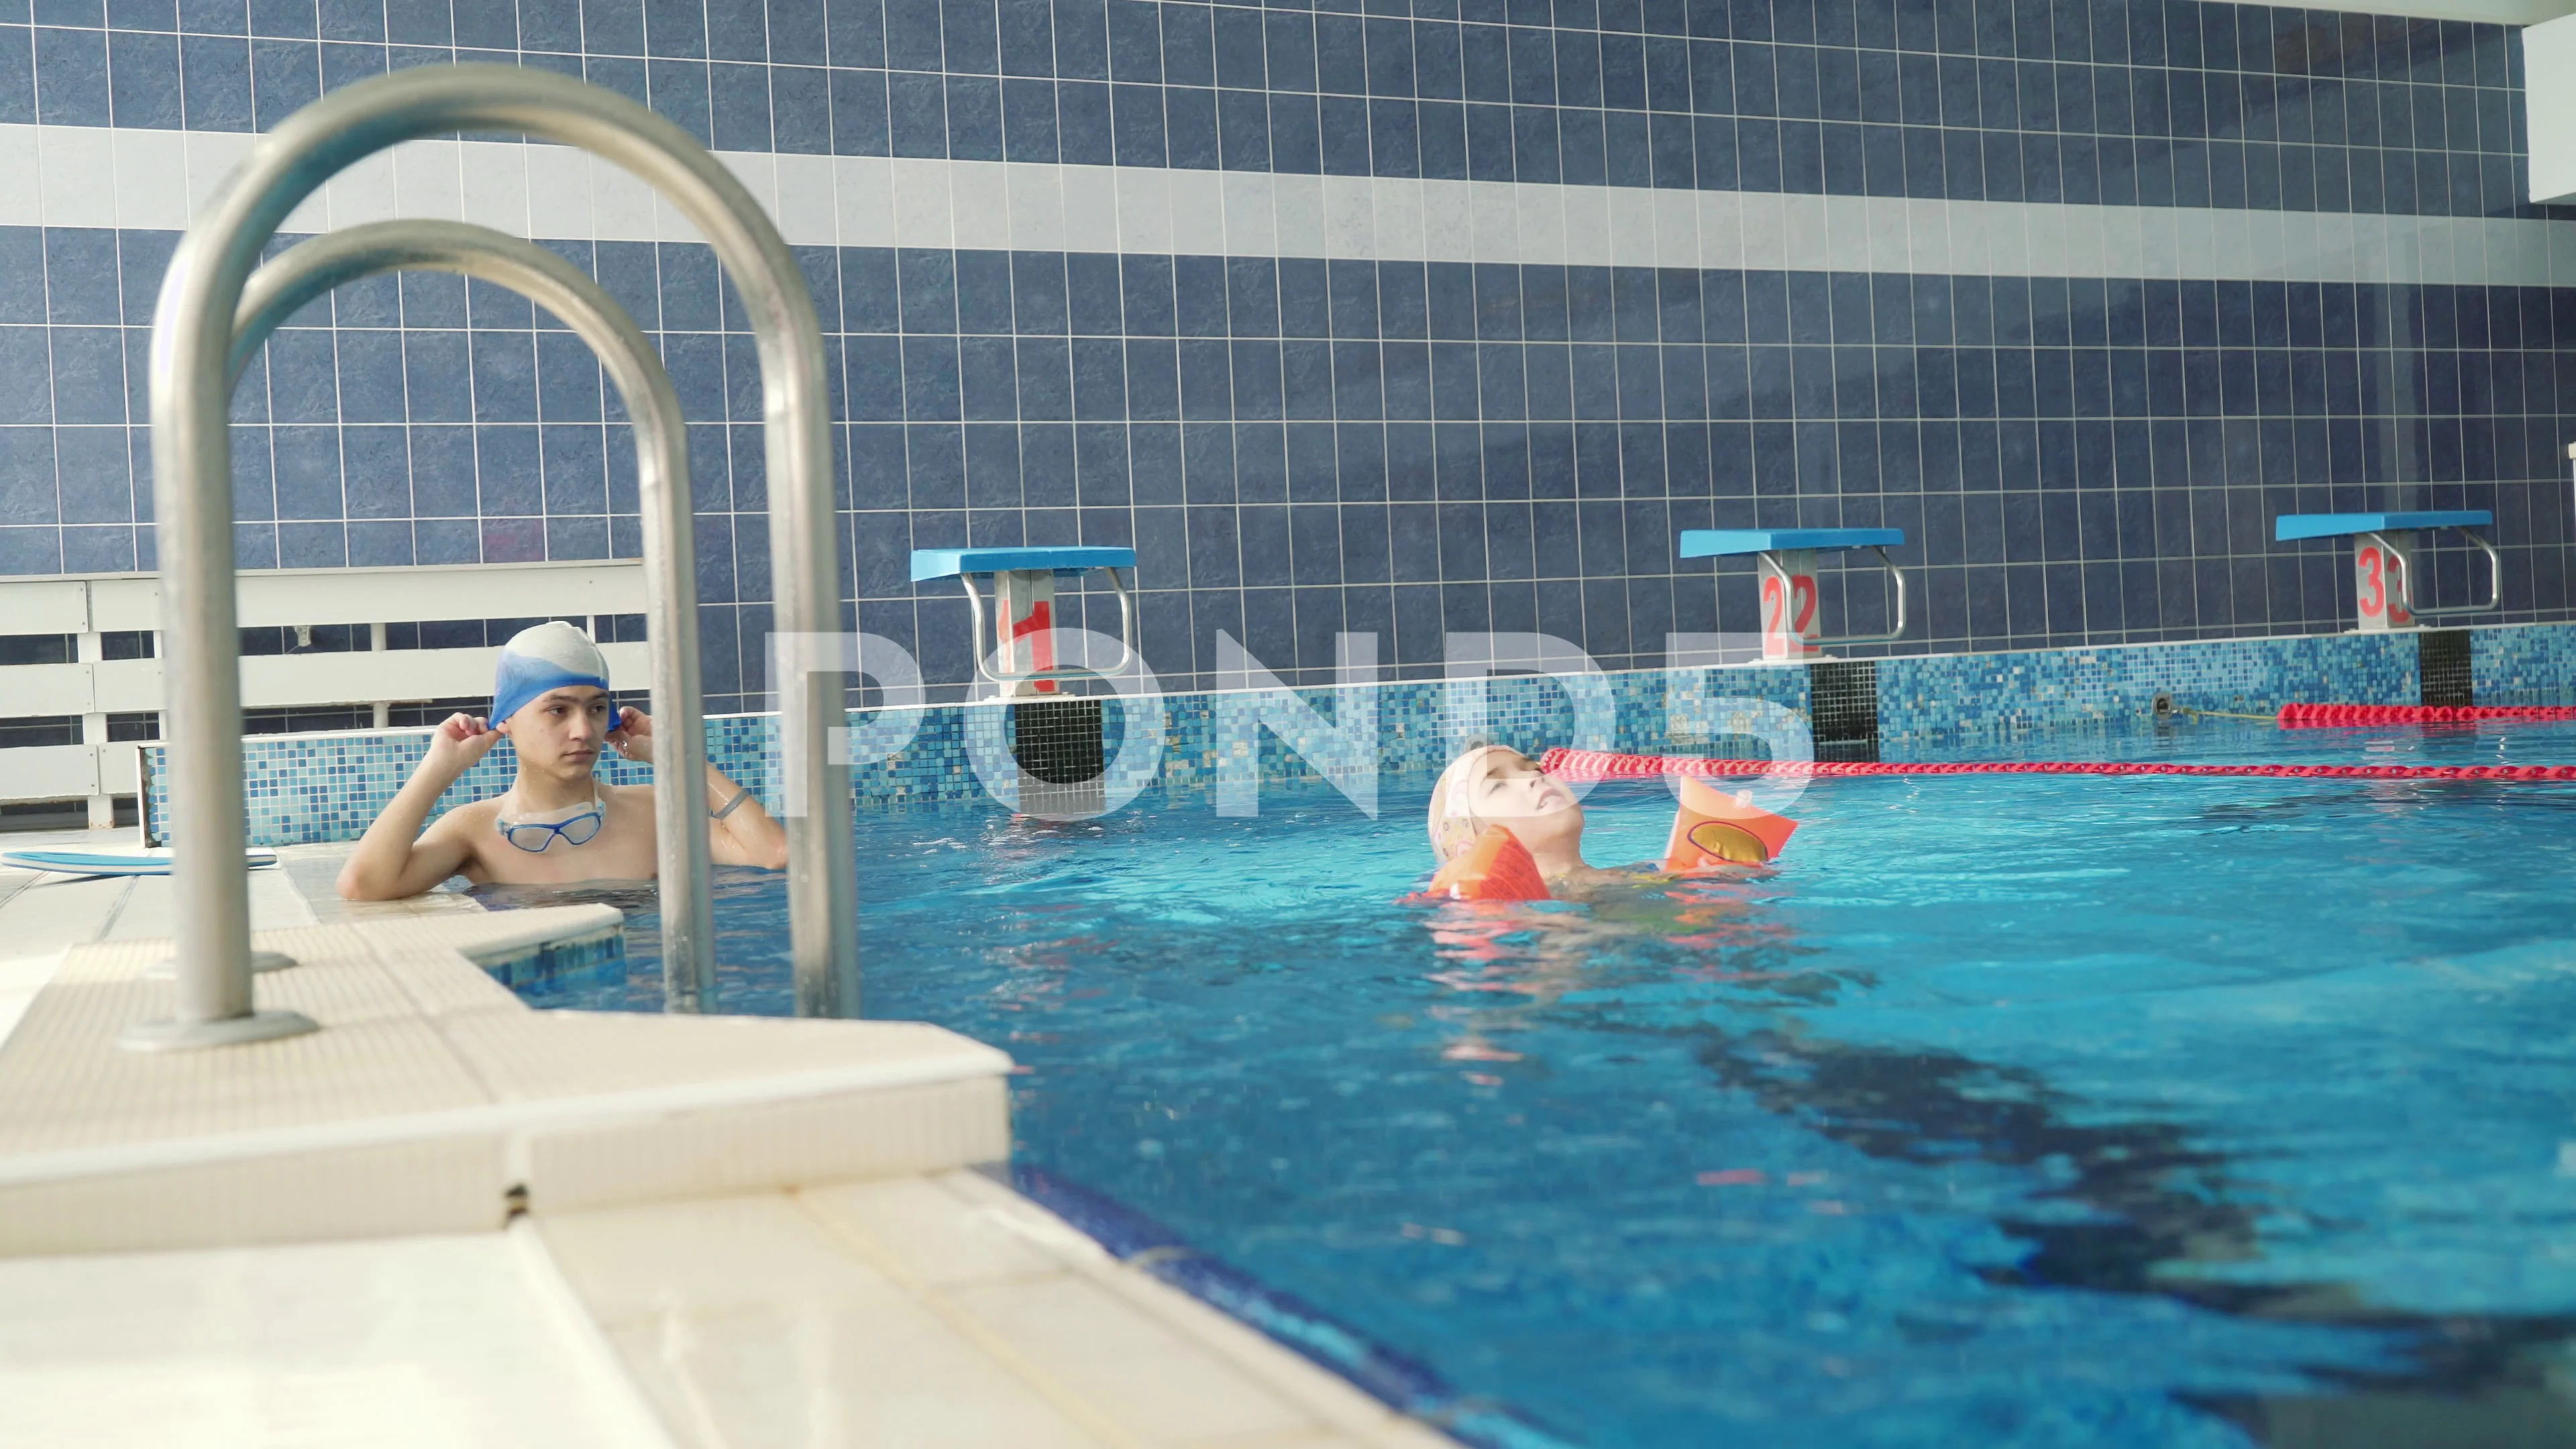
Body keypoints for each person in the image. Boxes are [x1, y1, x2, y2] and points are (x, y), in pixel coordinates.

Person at [337, 621, 786, 900]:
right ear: (507, 719)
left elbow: (773, 854)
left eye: (596, 708)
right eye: (557, 709)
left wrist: (679, 760)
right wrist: (440, 769)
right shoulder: (472, 830)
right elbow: (364, 887)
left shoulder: (651, 811)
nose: (582, 729)